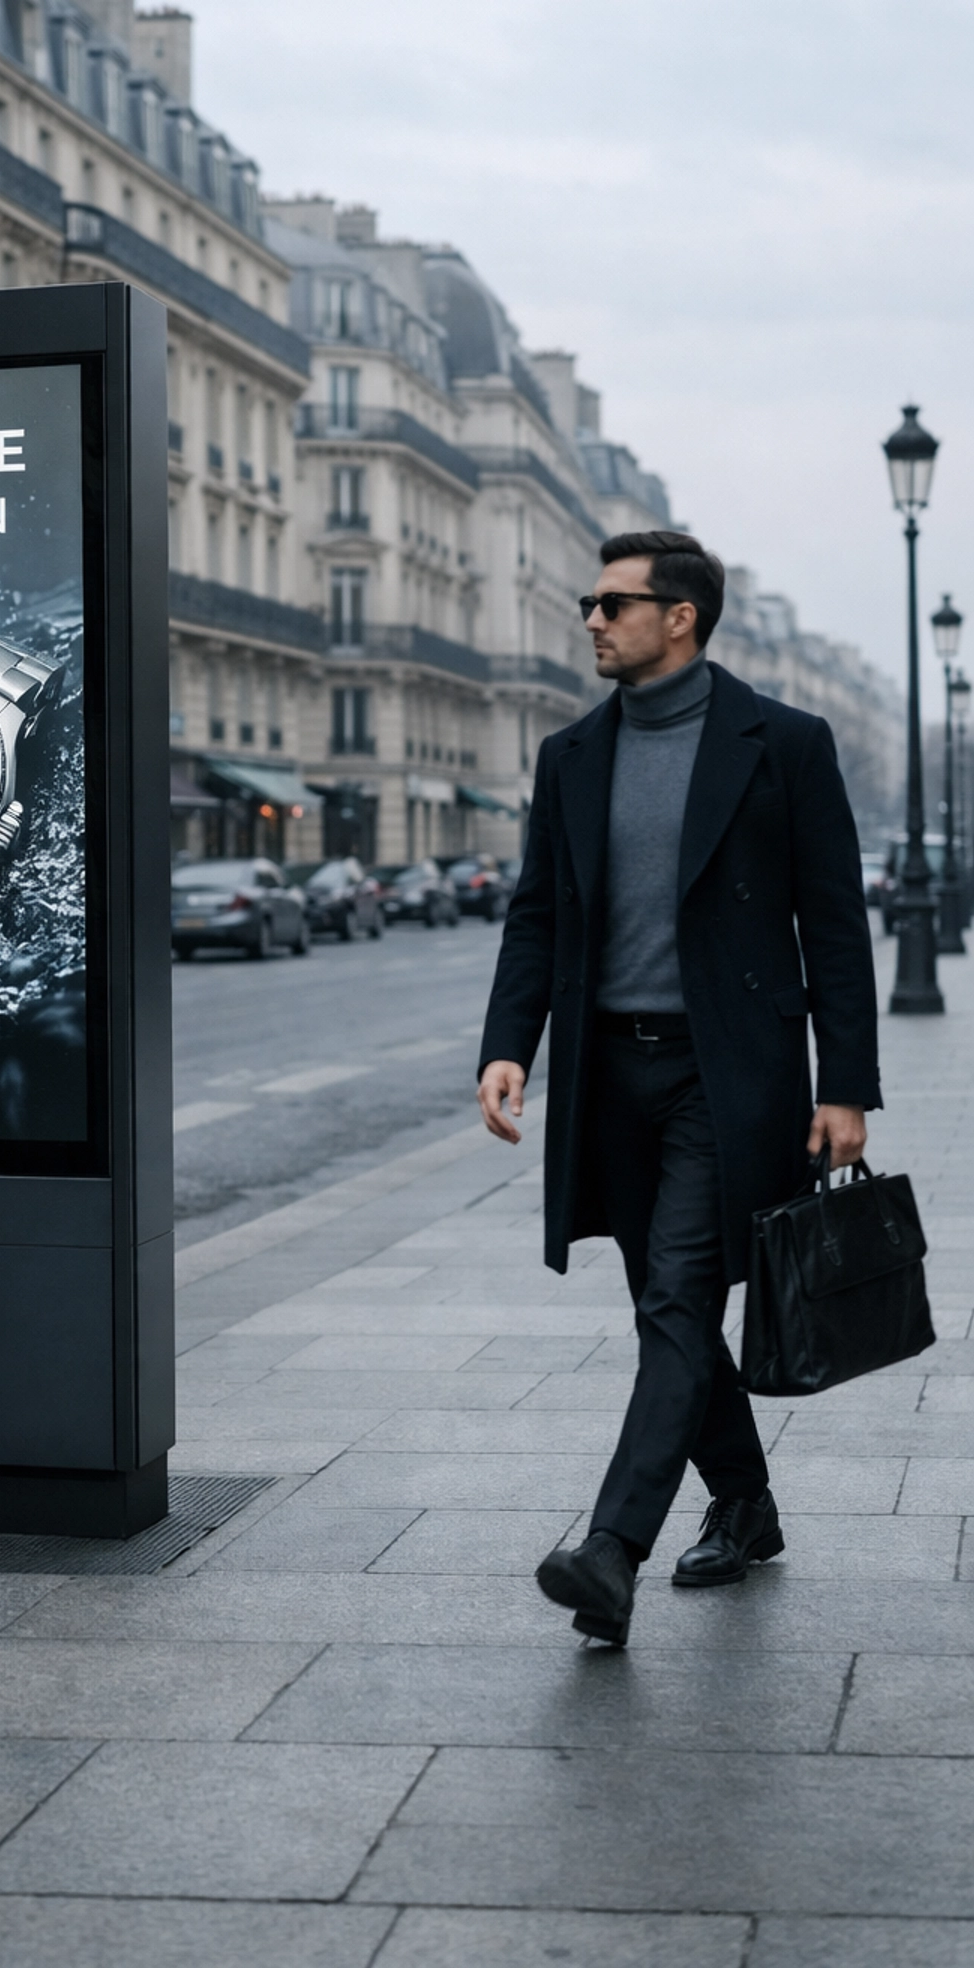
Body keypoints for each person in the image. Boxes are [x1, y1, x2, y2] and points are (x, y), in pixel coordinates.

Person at [476, 530, 880, 1647]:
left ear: (680, 617)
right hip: (610, 1075)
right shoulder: (572, 755)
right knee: (669, 1311)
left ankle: (612, 1547)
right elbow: (539, 913)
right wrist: (508, 1043)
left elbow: (834, 926)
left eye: (612, 603)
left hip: (726, 1074)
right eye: (590, 603)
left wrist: (846, 1086)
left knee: (676, 1303)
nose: (592, 619)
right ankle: (745, 1505)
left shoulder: (782, 743)